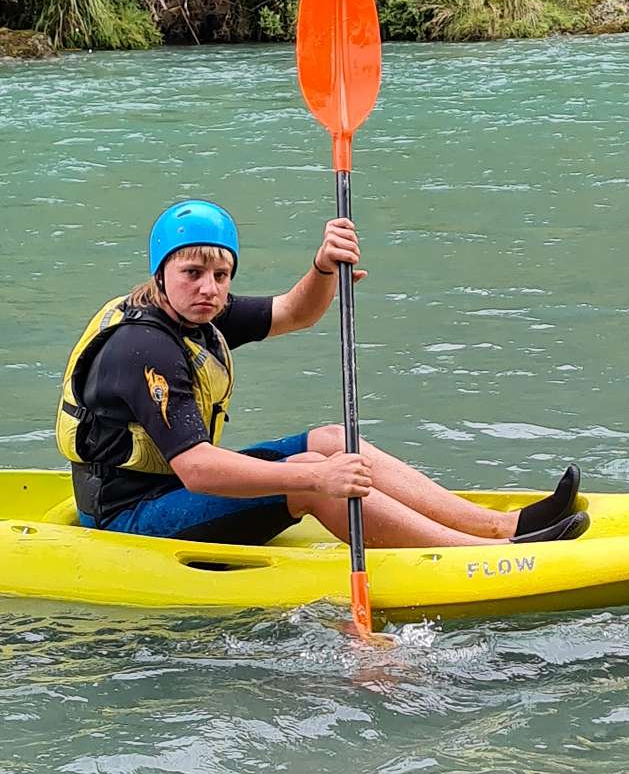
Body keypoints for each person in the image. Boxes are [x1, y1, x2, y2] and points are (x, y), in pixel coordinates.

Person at [56, 199, 590, 549]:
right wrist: (314, 479)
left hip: (171, 488)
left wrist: (323, 267)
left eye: (221, 274)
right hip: (131, 518)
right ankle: (483, 554)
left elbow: (295, 312)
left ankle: (501, 524)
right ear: (160, 273)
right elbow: (198, 470)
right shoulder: (143, 347)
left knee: (333, 439)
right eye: (192, 273)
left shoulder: (198, 313)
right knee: (316, 473)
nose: (209, 288)